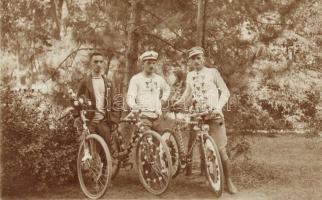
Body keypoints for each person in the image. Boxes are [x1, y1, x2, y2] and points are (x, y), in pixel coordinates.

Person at [173, 46, 238, 194]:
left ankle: (228, 181)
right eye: (193, 58)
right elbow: (188, 93)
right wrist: (179, 102)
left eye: (198, 57)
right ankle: (213, 179)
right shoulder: (189, 75)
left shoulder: (212, 72)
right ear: (190, 61)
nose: (196, 61)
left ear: (204, 58)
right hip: (198, 116)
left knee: (221, 151)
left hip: (214, 115)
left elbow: (225, 92)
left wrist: (218, 107)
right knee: (205, 149)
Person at [77, 51, 115, 148]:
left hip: (103, 122)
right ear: (91, 63)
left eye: (101, 62)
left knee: (106, 152)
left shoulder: (108, 83)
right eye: (96, 62)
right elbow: (78, 102)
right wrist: (79, 119)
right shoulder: (85, 82)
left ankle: (106, 163)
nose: (98, 64)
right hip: (89, 122)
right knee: (89, 152)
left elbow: (114, 102)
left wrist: (114, 121)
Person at [126, 50, 171, 131]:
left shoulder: (158, 78)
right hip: (143, 116)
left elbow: (167, 89)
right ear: (143, 64)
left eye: (153, 63)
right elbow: (130, 96)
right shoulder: (136, 79)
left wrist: (162, 100)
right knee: (147, 141)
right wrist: (134, 106)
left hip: (157, 116)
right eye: (149, 63)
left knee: (158, 142)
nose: (151, 66)